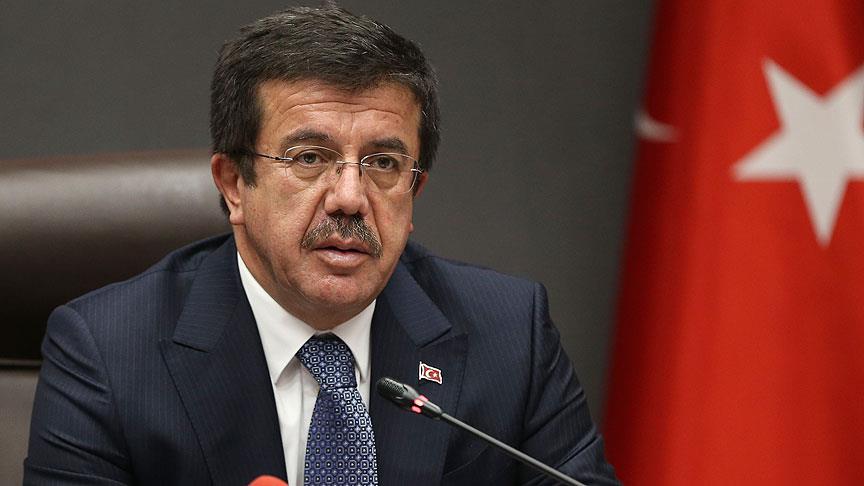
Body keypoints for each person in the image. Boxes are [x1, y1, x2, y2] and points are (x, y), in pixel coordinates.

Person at [25, 5, 619, 485]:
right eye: (310, 158)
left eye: (383, 163)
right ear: (233, 185)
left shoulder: (510, 335)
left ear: (414, 191)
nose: (350, 198)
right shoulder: (108, 353)